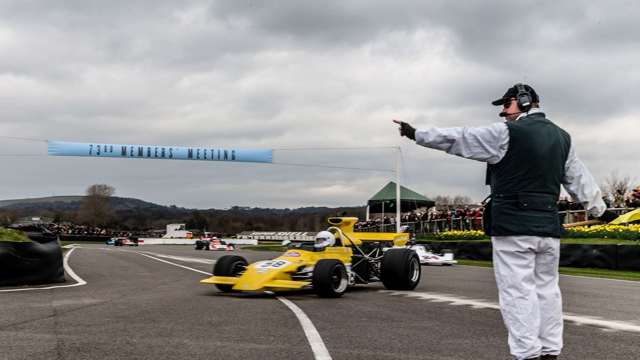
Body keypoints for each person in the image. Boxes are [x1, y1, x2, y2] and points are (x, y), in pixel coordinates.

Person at [394, 83, 618, 360]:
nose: (503, 112)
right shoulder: (563, 138)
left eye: (506, 104)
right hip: (548, 228)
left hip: (513, 225)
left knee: (517, 293)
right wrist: (601, 211)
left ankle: (527, 354)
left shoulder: (506, 133)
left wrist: (416, 133)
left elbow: (460, 138)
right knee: (547, 291)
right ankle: (550, 351)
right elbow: (581, 181)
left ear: (524, 101)